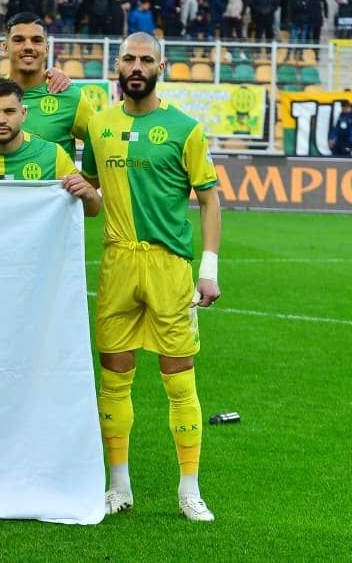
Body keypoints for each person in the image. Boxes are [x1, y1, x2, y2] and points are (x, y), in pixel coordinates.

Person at [80, 33, 223, 522]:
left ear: (161, 67)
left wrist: (208, 271)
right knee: (113, 377)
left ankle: (190, 491)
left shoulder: (185, 129)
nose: (137, 66)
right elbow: (92, 195)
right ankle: (118, 487)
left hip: (169, 267)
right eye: (129, 59)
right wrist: (83, 190)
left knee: (179, 380)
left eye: (146, 59)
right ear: (116, 66)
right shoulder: (99, 126)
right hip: (118, 263)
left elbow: (209, 200)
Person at [0, 78, 101, 217]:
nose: (1, 120)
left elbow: (92, 210)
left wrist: (87, 193)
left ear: (23, 113)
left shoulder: (53, 154)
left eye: (9, 111)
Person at [0, 12, 94, 157]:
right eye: (18, 40)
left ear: (46, 48)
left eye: (37, 40)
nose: (28, 46)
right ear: (5, 47)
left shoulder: (72, 97)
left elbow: (101, 145)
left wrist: (84, 174)